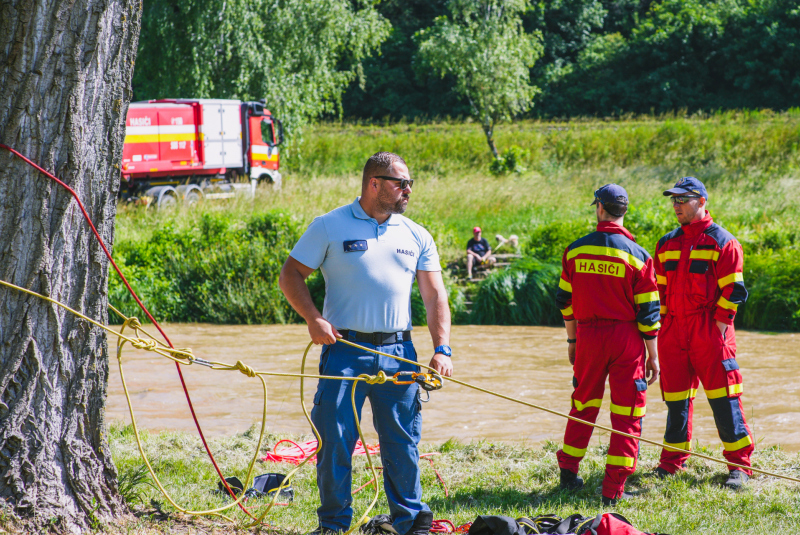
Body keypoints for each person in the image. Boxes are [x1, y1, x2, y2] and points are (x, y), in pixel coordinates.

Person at [278, 152, 454, 535]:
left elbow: (435, 296)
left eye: (409, 183)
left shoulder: (416, 234)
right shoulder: (329, 225)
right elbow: (291, 274)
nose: (407, 189)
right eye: (400, 183)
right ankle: (334, 525)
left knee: (402, 441)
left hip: (399, 353)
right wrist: (314, 319)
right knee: (337, 439)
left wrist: (441, 348)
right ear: (373, 183)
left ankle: (410, 524)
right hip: (344, 350)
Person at [555, 184, 661, 506]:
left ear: (599, 208)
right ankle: (612, 491)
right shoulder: (639, 256)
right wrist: (653, 356)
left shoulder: (575, 251)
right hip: (625, 339)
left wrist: (573, 339)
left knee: (583, 404)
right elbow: (649, 313)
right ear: (623, 211)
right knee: (627, 413)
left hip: (587, 336)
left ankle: (568, 474)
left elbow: (564, 300)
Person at [653, 177, 752, 489]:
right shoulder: (666, 244)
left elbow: (733, 292)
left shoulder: (723, 242)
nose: (676, 205)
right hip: (674, 333)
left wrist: (717, 330)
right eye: (674, 200)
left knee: (724, 399)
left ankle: (739, 467)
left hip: (709, 332)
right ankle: (672, 463)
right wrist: (662, 333)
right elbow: (660, 293)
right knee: (676, 401)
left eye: (683, 199)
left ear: (701, 201)